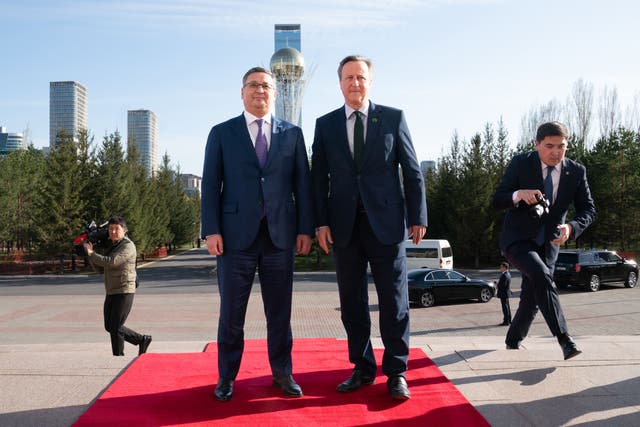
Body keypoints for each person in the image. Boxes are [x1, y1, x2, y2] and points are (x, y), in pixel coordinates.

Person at [311, 55, 427, 401]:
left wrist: (418, 215)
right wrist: (320, 222)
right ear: (340, 83)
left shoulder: (393, 118)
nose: (355, 83)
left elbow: (411, 168)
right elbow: (318, 179)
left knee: (394, 301)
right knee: (352, 303)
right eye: (348, 78)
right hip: (344, 227)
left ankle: (396, 372)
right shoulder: (326, 124)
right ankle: (361, 368)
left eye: (361, 77)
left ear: (370, 81)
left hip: (388, 225)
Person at [201, 66, 314, 402]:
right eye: (253, 85)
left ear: (275, 93)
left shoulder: (292, 134)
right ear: (242, 92)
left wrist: (305, 228)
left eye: (266, 86)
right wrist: (211, 230)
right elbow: (210, 185)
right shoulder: (222, 133)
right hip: (235, 239)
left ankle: (282, 373)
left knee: (279, 312)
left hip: (280, 237)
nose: (259, 91)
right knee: (231, 314)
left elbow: (302, 186)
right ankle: (226, 377)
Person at [492, 121, 595, 360]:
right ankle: (564, 339)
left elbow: (588, 210)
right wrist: (519, 195)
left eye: (561, 146)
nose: (555, 152)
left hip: (549, 244)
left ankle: (513, 340)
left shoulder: (576, 171)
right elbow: (498, 199)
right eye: (549, 146)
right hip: (517, 239)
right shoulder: (521, 163)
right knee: (541, 276)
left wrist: (571, 227)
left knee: (531, 298)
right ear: (537, 144)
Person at [83, 216, 152, 357]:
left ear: (124, 230)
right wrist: (90, 256)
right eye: (110, 229)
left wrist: (92, 253)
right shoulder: (112, 246)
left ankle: (118, 356)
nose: (113, 232)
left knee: (116, 326)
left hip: (124, 289)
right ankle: (141, 339)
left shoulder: (128, 246)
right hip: (111, 290)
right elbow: (101, 269)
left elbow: (112, 262)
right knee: (109, 326)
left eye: (116, 229)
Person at [497, 261, 512, 326]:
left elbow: (503, 285)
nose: (500, 268)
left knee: (505, 308)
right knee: (507, 307)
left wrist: (497, 285)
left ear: (505, 267)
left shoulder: (505, 275)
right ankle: (509, 320)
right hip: (506, 293)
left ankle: (506, 321)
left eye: (501, 267)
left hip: (503, 293)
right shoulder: (508, 274)